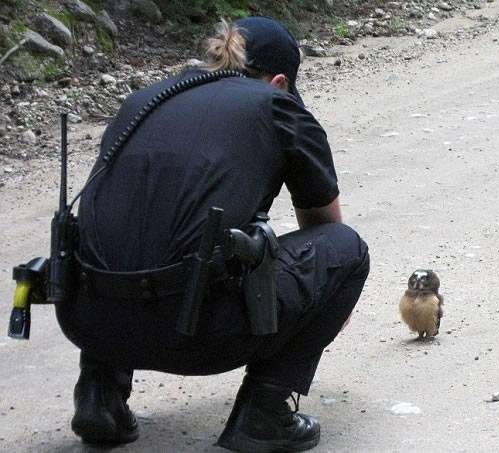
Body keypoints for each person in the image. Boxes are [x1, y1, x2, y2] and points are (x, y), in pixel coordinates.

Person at [55, 16, 370, 453]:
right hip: (196, 332)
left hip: (86, 319)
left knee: (131, 233)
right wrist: (326, 300)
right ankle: (266, 413)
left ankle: (99, 397)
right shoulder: (277, 106)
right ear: (279, 81)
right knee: (347, 251)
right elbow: (326, 228)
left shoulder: (143, 101)